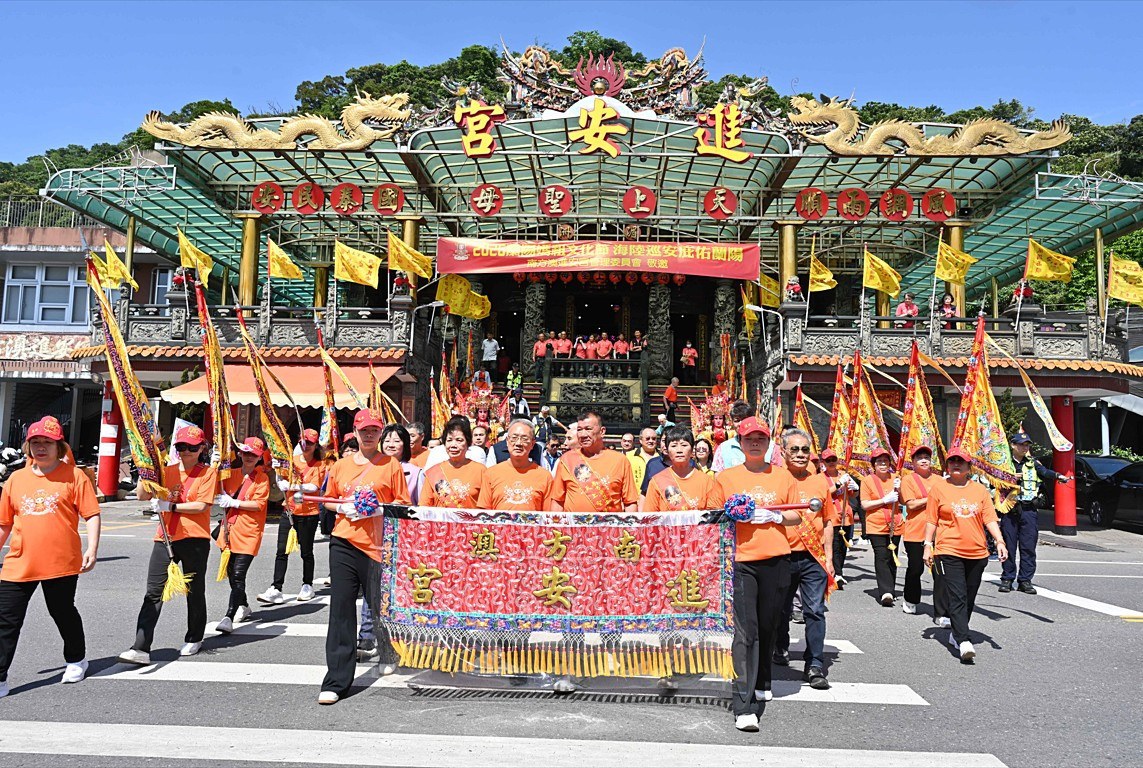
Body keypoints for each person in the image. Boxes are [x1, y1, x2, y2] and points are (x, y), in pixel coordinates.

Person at [0, 416, 100, 695]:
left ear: (60, 446)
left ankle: (77, 659)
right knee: (6, 619)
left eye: (47, 442)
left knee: (62, 611)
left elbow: (91, 514)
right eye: (35, 443)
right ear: (27, 446)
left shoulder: (75, 476)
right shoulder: (15, 479)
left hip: (61, 561)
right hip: (20, 561)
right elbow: (4, 522)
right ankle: (0, 678)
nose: (41, 447)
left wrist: (92, 548)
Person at [714, 417, 800, 732]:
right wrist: (733, 514)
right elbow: (714, 516)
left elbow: (796, 517)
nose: (755, 443)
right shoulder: (726, 478)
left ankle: (763, 677)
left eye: (761, 439)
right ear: (740, 442)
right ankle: (744, 705)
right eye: (749, 438)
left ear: (769, 444)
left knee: (768, 625)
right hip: (741, 561)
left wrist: (775, 514)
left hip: (776, 559)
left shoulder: (782, 476)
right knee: (745, 632)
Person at [319, 408, 410, 704]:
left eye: (374, 430)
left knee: (379, 606)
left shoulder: (392, 466)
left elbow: (403, 504)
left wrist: (379, 509)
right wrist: (343, 508)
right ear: (355, 433)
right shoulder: (341, 466)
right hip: (344, 541)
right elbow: (328, 501)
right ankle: (336, 680)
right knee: (341, 610)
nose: (369, 434)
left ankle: (388, 650)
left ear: (380, 433)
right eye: (364, 430)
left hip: (377, 545)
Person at [119, 424, 217, 665]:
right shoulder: (167, 470)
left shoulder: (208, 473)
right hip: (165, 537)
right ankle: (141, 647)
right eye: (181, 447)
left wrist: (171, 507)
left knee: (194, 591)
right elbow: (143, 495)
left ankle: (195, 636)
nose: (185, 452)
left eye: (191, 448)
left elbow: (202, 506)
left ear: (201, 448)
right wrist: (146, 471)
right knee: (153, 592)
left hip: (194, 538)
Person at [923, 448, 1009, 662]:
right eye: (952, 461)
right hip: (948, 550)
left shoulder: (979, 491)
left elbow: (989, 518)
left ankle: (956, 632)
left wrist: (999, 541)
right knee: (957, 595)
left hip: (977, 551)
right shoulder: (938, 489)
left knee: (969, 596)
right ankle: (964, 640)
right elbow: (931, 520)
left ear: (969, 466)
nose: (956, 464)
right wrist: (927, 544)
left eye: (961, 461)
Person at [773, 428, 835, 690]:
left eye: (805, 450)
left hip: (813, 557)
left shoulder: (821, 481)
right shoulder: (774, 479)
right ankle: (780, 646)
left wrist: (829, 558)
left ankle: (815, 664)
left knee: (815, 611)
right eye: (794, 449)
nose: (800, 454)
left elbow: (829, 520)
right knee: (780, 610)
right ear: (783, 452)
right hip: (782, 555)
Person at [356, 423, 423, 662]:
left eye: (397, 440)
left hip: (402, 538)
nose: (391, 444)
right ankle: (366, 635)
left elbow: (417, 506)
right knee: (371, 585)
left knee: (397, 591)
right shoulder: (373, 468)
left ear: (406, 445)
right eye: (387, 440)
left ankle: (395, 640)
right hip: (373, 536)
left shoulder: (415, 472)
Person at [255, 430, 328, 608]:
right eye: (303, 442)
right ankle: (276, 587)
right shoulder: (291, 461)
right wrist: (281, 481)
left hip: (308, 513)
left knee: (306, 551)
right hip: (289, 510)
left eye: (310, 443)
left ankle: (307, 584)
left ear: (315, 445)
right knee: (281, 550)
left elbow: (314, 486)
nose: (306, 446)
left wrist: (294, 486)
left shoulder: (319, 464)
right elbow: (281, 477)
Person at [999, 430, 1070, 594]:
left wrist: (1058, 476)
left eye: (1027, 445)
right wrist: (1010, 478)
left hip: (1029, 509)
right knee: (1009, 545)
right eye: (1022, 445)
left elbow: (1045, 472)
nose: (1025, 448)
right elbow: (993, 481)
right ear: (1013, 445)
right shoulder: (1004, 464)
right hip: (1010, 509)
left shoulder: (1032, 463)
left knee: (1028, 546)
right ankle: (1007, 578)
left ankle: (1025, 580)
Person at [214, 436, 271, 633]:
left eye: (253, 455)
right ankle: (244, 605)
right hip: (229, 531)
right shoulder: (229, 473)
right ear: (240, 453)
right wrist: (215, 466)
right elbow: (212, 487)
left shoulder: (262, 478)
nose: (249, 457)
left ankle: (228, 616)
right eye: (246, 453)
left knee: (239, 574)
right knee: (232, 575)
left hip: (249, 532)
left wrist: (235, 503)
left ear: (259, 458)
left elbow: (259, 504)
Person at [552, 410, 638, 516]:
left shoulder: (620, 461)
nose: (583, 435)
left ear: (602, 431)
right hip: (573, 530)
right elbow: (557, 500)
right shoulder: (566, 460)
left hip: (608, 529)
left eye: (588, 429)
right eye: (579, 430)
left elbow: (630, 503)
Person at [860, 448, 903, 607]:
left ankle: (890, 588)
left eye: (885, 461)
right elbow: (865, 504)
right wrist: (885, 500)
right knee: (882, 556)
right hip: (876, 524)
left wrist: (900, 489)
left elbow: (904, 501)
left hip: (895, 524)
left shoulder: (896, 478)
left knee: (893, 557)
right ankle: (885, 591)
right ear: (874, 465)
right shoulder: (867, 481)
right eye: (879, 461)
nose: (883, 464)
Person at [478, 420, 553, 511]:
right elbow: (483, 514)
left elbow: (547, 516)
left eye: (524, 439)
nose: (518, 443)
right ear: (507, 441)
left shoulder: (545, 477)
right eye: (514, 438)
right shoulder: (490, 474)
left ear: (532, 444)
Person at [643, 426, 720, 512]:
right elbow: (650, 518)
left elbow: (714, 517)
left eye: (684, 445)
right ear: (667, 451)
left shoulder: (707, 481)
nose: (679, 450)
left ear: (692, 450)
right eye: (674, 446)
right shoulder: (656, 482)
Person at [899, 446, 937, 614]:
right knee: (916, 568)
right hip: (915, 531)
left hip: (937, 532)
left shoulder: (940, 480)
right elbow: (911, 504)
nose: (924, 460)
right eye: (919, 457)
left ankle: (942, 607)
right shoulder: (908, 480)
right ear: (913, 462)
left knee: (939, 572)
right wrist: (931, 499)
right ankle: (910, 598)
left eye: (927, 457)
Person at [422, 416, 486, 508]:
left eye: (459, 440)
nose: (453, 445)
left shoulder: (481, 471)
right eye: (449, 440)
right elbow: (424, 508)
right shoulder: (433, 472)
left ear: (468, 443)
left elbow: (486, 507)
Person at [820, 449, 856, 588]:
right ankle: (837, 574)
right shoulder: (821, 477)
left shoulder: (843, 475)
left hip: (845, 516)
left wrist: (855, 487)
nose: (831, 463)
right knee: (833, 546)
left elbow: (852, 495)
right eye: (828, 460)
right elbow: (824, 494)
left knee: (842, 546)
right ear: (823, 463)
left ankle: (839, 571)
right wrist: (837, 484)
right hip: (831, 516)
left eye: (833, 460)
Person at [712, 400, 754, 472]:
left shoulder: (769, 446)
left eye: (744, 419)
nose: (741, 424)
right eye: (737, 420)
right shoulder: (723, 448)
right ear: (732, 422)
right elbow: (718, 477)